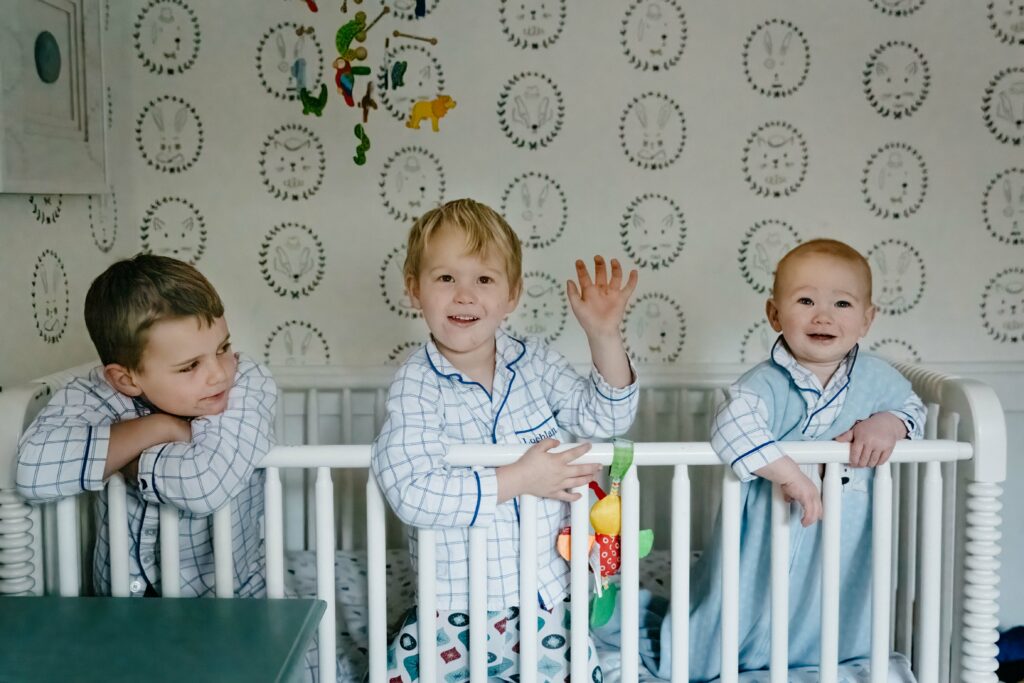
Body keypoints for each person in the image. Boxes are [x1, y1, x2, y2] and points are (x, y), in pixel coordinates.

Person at [595, 238, 926, 680]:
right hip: (769, 534)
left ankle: (824, 659)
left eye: (842, 303)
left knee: (837, 607)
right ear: (774, 315)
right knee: (742, 607)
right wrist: (788, 473)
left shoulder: (880, 380)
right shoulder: (766, 383)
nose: (823, 315)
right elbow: (731, 425)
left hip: (844, 540)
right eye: (805, 300)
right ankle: (728, 652)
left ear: (867, 319)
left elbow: (914, 411)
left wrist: (890, 423)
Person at [371, 198, 640, 682]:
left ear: (512, 294)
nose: (464, 295)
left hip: (546, 594)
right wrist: (519, 478)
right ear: (414, 290)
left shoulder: (535, 363)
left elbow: (607, 419)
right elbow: (411, 490)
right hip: (454, 604)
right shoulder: (415, 385)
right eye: (446, 278)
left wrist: (604, 336)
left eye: (484, 279)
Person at [17, 253, 276, 598]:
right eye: (190, 366)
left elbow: (205, 485)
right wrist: (160, 427)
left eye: (223, 347)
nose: (218, 373)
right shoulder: (97, 394)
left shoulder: (247, 383)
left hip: (228, 603)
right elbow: (32, 472)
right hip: (124, 605)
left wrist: (123, 458)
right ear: (126, 379)